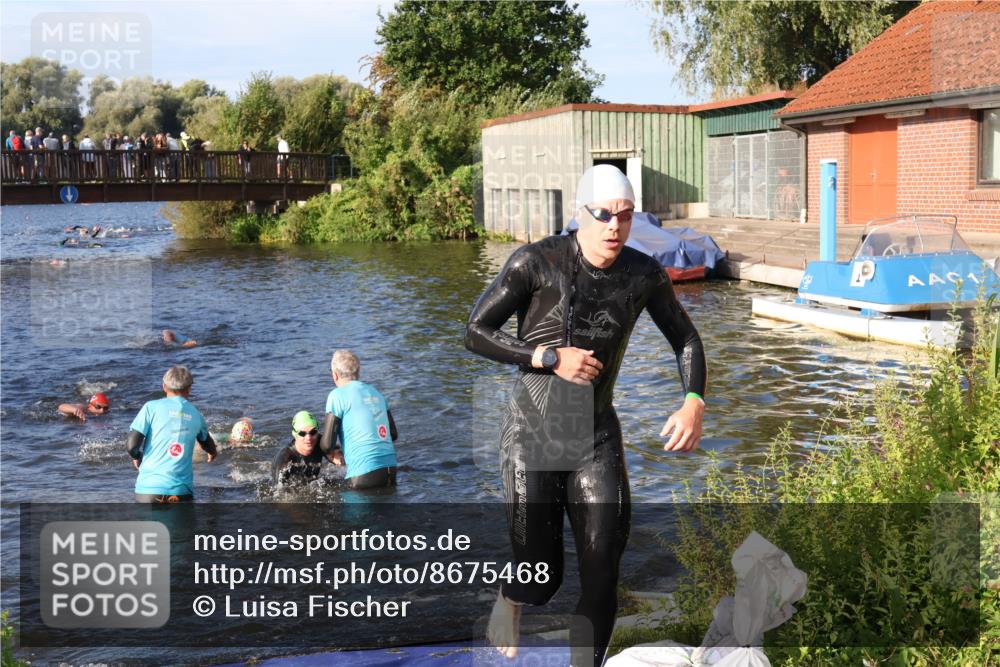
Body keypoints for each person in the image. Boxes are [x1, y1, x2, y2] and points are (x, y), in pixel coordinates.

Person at [464, 164, 707, 667]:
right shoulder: (536, 262)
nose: (615, 227)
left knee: (603, 572)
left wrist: (693, 401)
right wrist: (548, 357)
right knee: (542, 577)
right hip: (533, 434)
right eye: (604, 216)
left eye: (625, 215)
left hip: (596, 435)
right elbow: (475, 331)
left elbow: (684, 337)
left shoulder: (643, 274)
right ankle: (510, 600)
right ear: (580, 215)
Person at [126, 365, 217, 503]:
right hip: (181, 493)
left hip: (148, 490)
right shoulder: (196, 415)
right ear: (189, 389)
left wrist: (137, 456)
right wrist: (212, 453)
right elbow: (207, 443)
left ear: (164, 386)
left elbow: (132, 445)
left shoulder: (150, 407)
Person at [321, 350, 399, 490]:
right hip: (391, 469)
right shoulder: (376, 393)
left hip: (363, 473)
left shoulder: (337, 395)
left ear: (335, 375)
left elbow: (327, 445)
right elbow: (392, 434)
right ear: (358, 372)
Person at [272, 411, 337, 486]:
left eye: (313, 432)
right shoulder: (285, 458)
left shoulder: (321, 443)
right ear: (294, 434)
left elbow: (341, 459)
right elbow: (277, 491)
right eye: (302, 433)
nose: (308, 438)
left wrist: (336, 455)